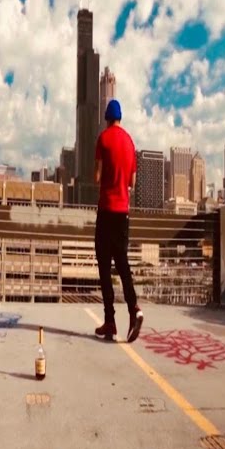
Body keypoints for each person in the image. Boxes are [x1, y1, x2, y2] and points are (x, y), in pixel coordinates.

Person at [93, 99, 144, 342]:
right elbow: (132, 182)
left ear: (107, 118)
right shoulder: (130, 142)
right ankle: (134, 309)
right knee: (122, 264)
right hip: (123, 213)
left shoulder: (103, 139)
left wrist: (104, 176)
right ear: (120, 118)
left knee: (104, 268)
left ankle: (110, 321)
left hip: (106, 211)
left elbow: (97, 176)